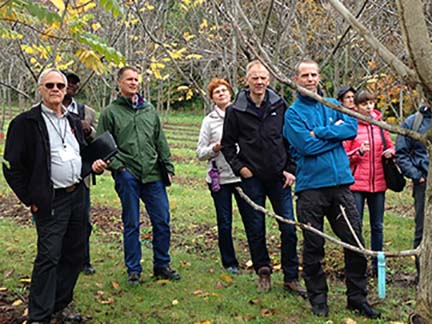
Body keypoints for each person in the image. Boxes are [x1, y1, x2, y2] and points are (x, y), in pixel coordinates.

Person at [2, 68, 107, 324]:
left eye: (60, 85)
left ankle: (60, 304)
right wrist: (31, 198)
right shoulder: (25, 123)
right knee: (49, 255)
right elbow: (11, 167)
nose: (56, 89)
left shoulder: (72, 121)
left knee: (76, 253)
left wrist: (91, 167)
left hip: (78, 196)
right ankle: (39, 314)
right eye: (50, 85)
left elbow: (79, 156)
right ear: (40, 89)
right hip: (51, 200)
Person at [283, 59, 380, 318]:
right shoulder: (292, 114)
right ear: (296, 79)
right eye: (305, 75)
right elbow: (305, 147)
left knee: (355, 242)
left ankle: (357, 298)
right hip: (311, 189)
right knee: (314, 246)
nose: (310, 79)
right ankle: (318, 299)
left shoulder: (335, 106)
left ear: (319, 77)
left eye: (314, 74)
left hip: (340, 187)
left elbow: (350, 129)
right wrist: (332, 134)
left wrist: (320, 133)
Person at [221, 60, 305, 295]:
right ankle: (263, 271)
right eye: (255, 78)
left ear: (269, 80)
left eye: (263, 78)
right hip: (252, 178)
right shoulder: (235, 110)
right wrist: (240, 168)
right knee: (255, 227)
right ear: (246, 80)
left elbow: (290, 140)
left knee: (288, 228)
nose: (259, 82)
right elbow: (228, 145)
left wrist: (291, 168)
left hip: (280, 177)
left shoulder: (280, 105)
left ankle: (291, 277)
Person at [97, 66, 180, 285]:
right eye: (129, 79)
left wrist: (168, 167)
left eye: (136, 79)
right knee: (132, 222)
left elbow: (159, 139)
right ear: (119, 83)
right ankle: (133, 269)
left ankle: (162, 265)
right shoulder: (110, 112)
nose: (133, 83)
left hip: (153, 174)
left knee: (162, 220)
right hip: (128, 174)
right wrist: (119, 168)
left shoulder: (149, 110)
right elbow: (103, 146)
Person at [343, 90, 394, 275]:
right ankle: (358, 265)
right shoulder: (351, 126)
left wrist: (391, 153)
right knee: (356, 225)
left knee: (377, 226)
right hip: (356, 184)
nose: (369, 107)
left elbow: (390, 145)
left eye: (371, 103)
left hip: (378, 183)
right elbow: (344, 156)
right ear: (356, 106)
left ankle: (377, 265)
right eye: (364, 104)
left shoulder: (380, 125)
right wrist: (358, 152)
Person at [196, 78, 241, 274]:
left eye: (224, 90)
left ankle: (260, 262)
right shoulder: (209, 121)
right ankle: (229, 262)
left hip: (242, 175)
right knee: (224, 222)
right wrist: (216, 147)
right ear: (212, 98)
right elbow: (200, 152)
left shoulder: (241, 115)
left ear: (230, 93)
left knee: (253, 219)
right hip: (220, 178)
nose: (221, 93)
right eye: (217, 92)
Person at [62, 70, 98, 275]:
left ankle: (84, 260)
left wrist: (88, 130)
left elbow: (98, 138)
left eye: (75, 83)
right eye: (68, 82)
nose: (72, 86)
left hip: (82, 175)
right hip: (55, 177)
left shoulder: (87, 112)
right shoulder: (43, 110)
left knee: (83, 221)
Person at [396, 103, 431, 279]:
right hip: (424, 184)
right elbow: (401, 153)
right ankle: (422, 276)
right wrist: (417, 176)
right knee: (423, 229)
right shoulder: (413, 122)